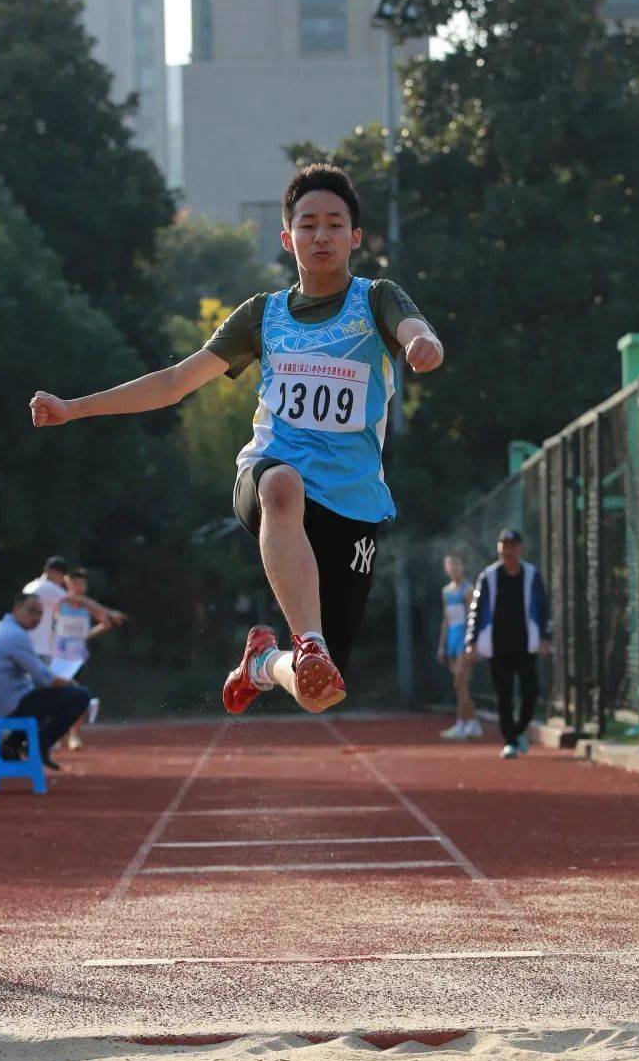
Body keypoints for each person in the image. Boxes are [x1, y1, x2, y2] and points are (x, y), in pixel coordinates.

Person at [30, 163, 444, 713]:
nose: (321, 236)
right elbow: (174, 383)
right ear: (287, 238)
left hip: (351, 501)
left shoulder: (376, 300)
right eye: (308, 225)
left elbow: (416, 328)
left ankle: (264, 663)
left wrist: (422, 343)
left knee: (321, 693)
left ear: (356, 237)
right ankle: (309, 641)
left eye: (335, 224)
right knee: (283, 485)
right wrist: (74, 408)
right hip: (271, 477)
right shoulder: (262, 316)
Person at [0, 592, 91, 770]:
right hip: (7, 704)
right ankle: (40, 745)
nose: (36, 617)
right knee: (80, 696)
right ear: (16, 609)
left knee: (39, 698)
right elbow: (45, 679)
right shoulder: (15, 636)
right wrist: (70, 683)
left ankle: (9, 748)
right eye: (31, 611)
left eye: (40, 613)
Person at [465, 528, 550, 759]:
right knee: (503, 694)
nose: (508, 551)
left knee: (530, 691)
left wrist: (545, 637)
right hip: (497, 645)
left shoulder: (531, 575)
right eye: (504, 546)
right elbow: (476, 610)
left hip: (525, 644)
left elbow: (542, 608)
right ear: (499, 548)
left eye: (512, 546)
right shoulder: (488, 576)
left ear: (520, 549)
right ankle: (510, 741)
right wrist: (471, 641)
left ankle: (520, 729)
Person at [22, 557, 126, 665]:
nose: (61, 581)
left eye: (82, 583)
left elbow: (104, 623)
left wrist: (81, 637)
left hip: (43, 650)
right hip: (47, 652)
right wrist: (109, 612)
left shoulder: (31, 587)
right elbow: (75, 600)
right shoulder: (49, 589)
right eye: (63, 577)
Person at [51, 567, 110, 751]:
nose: (78, 586)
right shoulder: (59, 602)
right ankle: (57, 733)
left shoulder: (88, 606)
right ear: (67, 583)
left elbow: (106, 622)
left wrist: (85, 636)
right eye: (74, 582)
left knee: (75, 693)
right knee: (57, 695)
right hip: (58, 657)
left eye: (81, 582)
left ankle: (74, 735)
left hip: (78, 658)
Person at [436, 553, 480, 741]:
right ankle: (470, 723)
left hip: (464, 637)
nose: (453, 568)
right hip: (452, 639)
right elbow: (446, 620)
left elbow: (473, 618)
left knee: (459, 681)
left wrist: (472, 642)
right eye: (449, 565)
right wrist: (441, 646)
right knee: (460, 685)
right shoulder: (446, 591)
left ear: (462, 566)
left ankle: (464, 723)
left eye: (456, 564)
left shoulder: (468, 589)